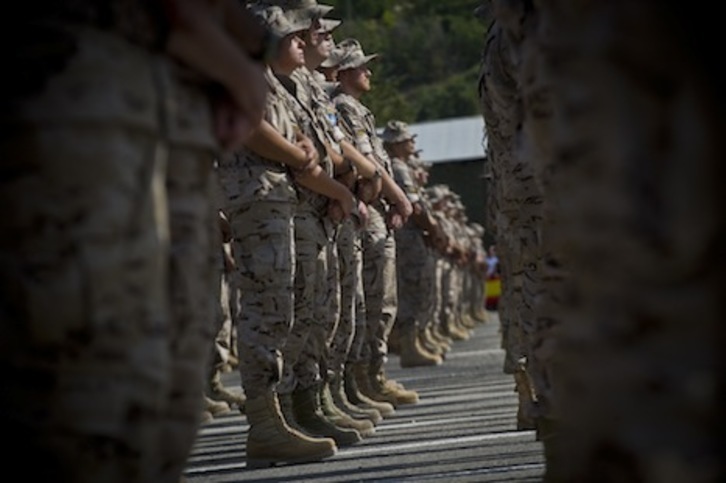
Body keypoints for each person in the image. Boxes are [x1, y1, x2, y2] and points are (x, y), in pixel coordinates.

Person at [0, 1, 269, 481]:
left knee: (157, 405)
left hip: (161, 103)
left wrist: (238, 56)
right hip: (80, 89)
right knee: (95, 398)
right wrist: (237, 66)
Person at [218, 3, 367, 468]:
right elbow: (256, 130)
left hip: (275, 197)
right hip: (258, 198)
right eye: (292, 35)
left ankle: (284, 415)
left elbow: (307, 140)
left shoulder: (268, 78)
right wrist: (301, 159)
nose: (303, 40)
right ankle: (265, 425)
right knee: (267, 310)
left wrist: (307, 155)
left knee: (288, 310)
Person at [331, 38, 418, 410]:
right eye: (362, 66)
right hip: (362, 211)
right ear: (346, 72)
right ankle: (363, 378)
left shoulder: (356, 108)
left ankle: (369, 376)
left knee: (377, 298)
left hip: (371, 208)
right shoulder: (344, 106)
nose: (369, 72)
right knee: (367, 300)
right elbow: (369, 164)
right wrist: (400, 197)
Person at [381, 120, 442, 368]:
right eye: (409, 140)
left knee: (419, 288)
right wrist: (433, 229)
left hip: (411, 237)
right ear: (397, 143)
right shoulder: (398, 168)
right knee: (413, 287)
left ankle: (413, 341)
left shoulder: (401, 166)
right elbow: (415, 208)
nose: (412, 144)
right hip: (407, 238)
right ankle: (409, 346)